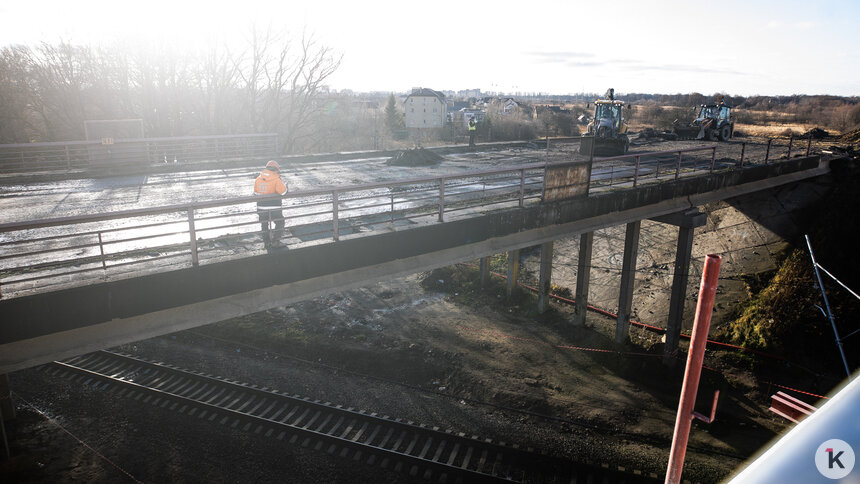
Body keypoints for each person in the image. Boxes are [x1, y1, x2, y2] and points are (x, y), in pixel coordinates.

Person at [253, 160, 288, 248]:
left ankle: (267, 242)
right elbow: (283, 192)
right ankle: (276, 240)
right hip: (274, 207)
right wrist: (286, 186)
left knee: (264, 224)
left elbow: (255, 193)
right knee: (280, 222)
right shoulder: (276, 179)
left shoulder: (258, 179)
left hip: (261, 207)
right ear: (275, 169)